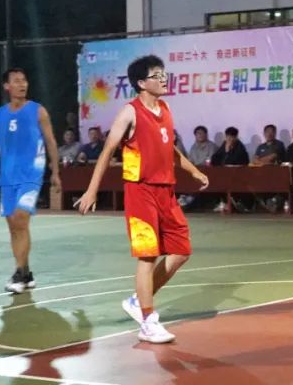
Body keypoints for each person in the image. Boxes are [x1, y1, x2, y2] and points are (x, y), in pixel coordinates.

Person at [76, 55, 210, 344]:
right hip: (141, 191)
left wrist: (193, 170)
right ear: (141, 83)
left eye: (164, 74)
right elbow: (107, 151)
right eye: (156, 75)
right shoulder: (130, 112)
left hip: (167, 192)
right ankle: (148, 322)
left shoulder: (165, 108)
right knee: (148, 255)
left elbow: (169, 149)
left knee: (181, 252)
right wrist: (91, 190)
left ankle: (138, 301)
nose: (163, 79)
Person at [0, 68, 62, 292]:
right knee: (13, 226)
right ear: (7, 86)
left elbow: (50, 141)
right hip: (8, 176)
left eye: (24, 80)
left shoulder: (38, 110)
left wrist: (55, 171)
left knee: (20, 219)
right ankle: (26, 273)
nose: (22, 84)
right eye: (17, 81)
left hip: (31, 173)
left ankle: (19, 274)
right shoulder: (0, 114)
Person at [178, 125, 218, 208]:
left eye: (201, 133)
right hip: (195, 172)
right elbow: (190, 161)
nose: (199, 135)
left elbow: (210, 160)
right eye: (197, 134)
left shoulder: (212, 146)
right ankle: (185, 198)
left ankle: (189, 199)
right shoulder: (193, 147)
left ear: (206, 134)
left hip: (208, 172)